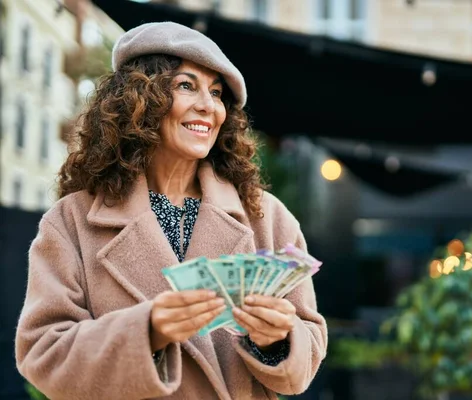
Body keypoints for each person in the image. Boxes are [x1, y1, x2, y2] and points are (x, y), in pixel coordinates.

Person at [15, 21, 327, 400]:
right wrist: (147, 331)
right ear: (138, 99)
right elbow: (43, 353)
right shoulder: (71, 221)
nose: (207, 106)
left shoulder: (268, 218)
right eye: (186, 86)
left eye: (216, 93)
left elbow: (307, 355)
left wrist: (278, 340)